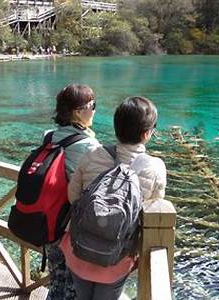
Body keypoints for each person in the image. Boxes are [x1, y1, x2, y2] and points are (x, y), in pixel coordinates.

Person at [61, 96, 167, 300]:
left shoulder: (94, 154)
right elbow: (154, 212)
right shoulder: (155, 167)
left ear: (116, 127)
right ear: (146, 134)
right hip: (115, 260)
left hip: (79, 250)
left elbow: (73, 195)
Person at [46, 84, 100, 300]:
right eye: (92, 105)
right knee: (73, 288)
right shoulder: (88, 146)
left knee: (56, 281)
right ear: (78, 112)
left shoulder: (49, 137)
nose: (95, 110)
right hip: (71, 226)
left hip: (49, 219)